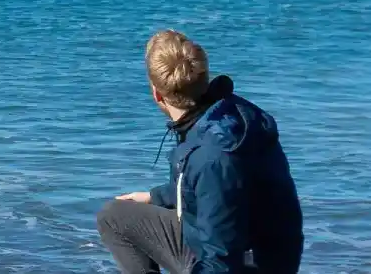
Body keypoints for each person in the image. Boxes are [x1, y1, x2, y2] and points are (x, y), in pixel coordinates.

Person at [96, 29, 304, 274]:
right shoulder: (227, 114)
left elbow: (221, 258)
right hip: (270, 252)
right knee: (115, 215)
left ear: (157, 94)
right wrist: (156, 196)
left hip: (248, 264)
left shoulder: (213, 155)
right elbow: (210, 192)